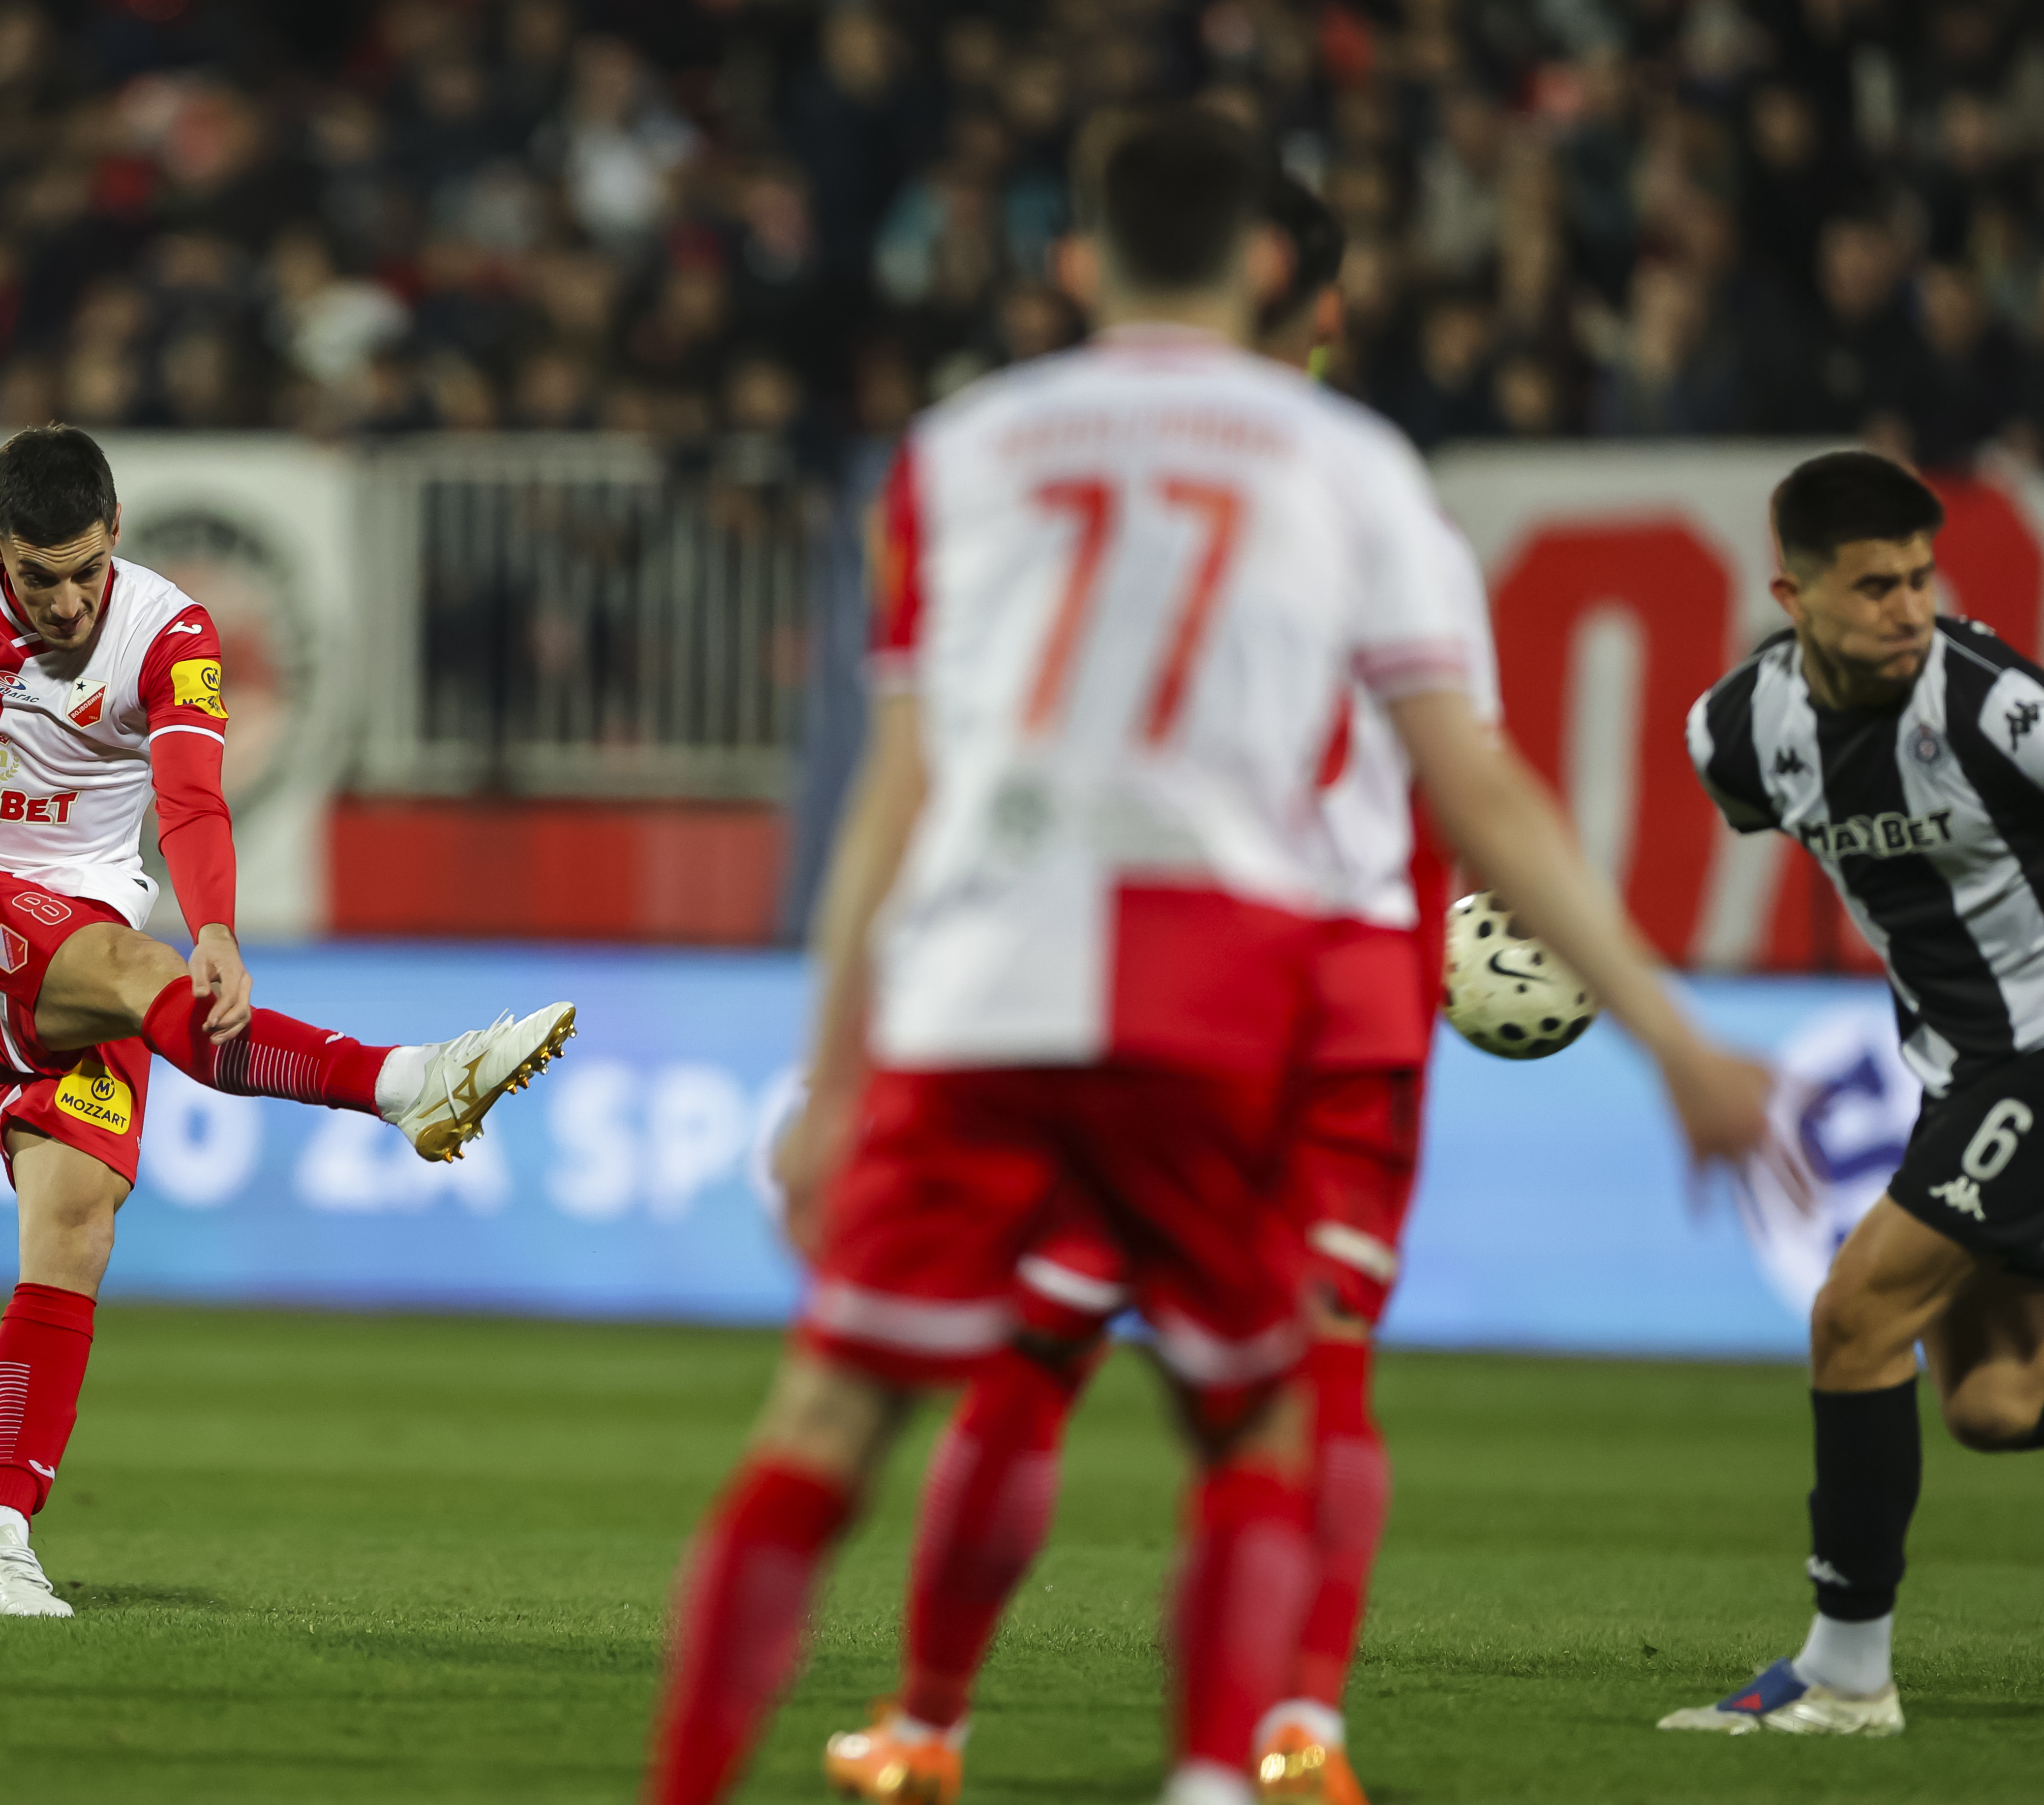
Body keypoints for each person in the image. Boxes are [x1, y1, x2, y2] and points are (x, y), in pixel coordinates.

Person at [641, 108, 1769, 1805]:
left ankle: (780, 1763)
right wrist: (1670, 1033)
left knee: (836, 1425)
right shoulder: (1357, 474)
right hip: (1234, 999)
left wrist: (833, 1067)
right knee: (1263, 1419)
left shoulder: (961, 449)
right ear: (1269, 268)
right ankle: (1229, 1768)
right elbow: (1474, 779)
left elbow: (899, 783)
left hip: (980, 990)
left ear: (1074, 263)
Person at [819, 172, 1447, 1805]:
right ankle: (1293, 1729)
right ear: (1311, 300)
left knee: (1031, 1353)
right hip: (1351, 973)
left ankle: (926, 1726)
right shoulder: (1371, 485)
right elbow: (1460, 764)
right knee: (1317, 1369)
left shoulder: (1056, 456)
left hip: (1157, 957)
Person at [0, 424, 575, 1618]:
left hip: (79, 931)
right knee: (135, 967)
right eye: (39, 577)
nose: (68, 602)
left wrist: (217, 925)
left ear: (115, 534)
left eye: (86, 570)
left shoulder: (170, 633)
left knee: (75, 1226)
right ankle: (402, 1084)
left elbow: (192, 795)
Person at [1669, 450, 2044, 1736]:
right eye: (1874, 585)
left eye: (1921, 579)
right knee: (2000, 1406)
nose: (1909, 609)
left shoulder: (1995, 706)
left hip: (2038, 1052)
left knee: (1854, 1315)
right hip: (1955, 1072)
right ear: (1792, 595)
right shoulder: (1735, 737)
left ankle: (1844, 1673)